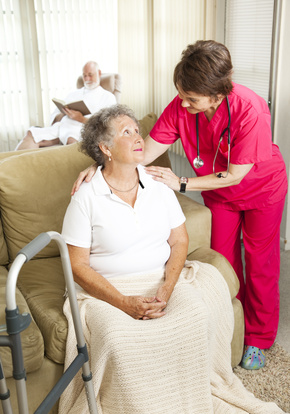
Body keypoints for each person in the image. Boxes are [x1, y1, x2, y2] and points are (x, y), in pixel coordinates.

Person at [72, 41, 288, 371]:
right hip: (220, 195)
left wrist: (182, 183)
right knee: (224, 261)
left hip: (261, 190)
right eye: (181, 95)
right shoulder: (182, 104)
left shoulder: (251, 110)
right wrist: (101, 163)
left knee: (261, 262)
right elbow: (142, 151)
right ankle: (235, 326)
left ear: (217, 96)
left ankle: (259, 337)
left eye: (192, 100)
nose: (183, 104)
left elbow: (234, 175)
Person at [59, 104, 285, 413]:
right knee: (118, 339)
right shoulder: (86, 195)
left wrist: (166, 289)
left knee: (196, 317)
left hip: (161, 278)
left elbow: (179, 240)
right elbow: (77, 266)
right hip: (109, 290)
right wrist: (124, 302)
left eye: (138, 130)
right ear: (105, 148)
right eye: (128, 133)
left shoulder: (157, 185)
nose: (139, 137)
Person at [16, 61, 116, 150]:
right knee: (31, 134)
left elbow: (106, 126)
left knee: (71, 139)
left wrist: (80, 118)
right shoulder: (73, 94)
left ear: (99, 73)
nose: (87, 78)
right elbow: (54, 117)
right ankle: (15, 169)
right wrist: (65, 112)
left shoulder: (108, 97)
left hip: (81, 130)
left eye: (90, 75)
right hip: (61, 127)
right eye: (84, 75)